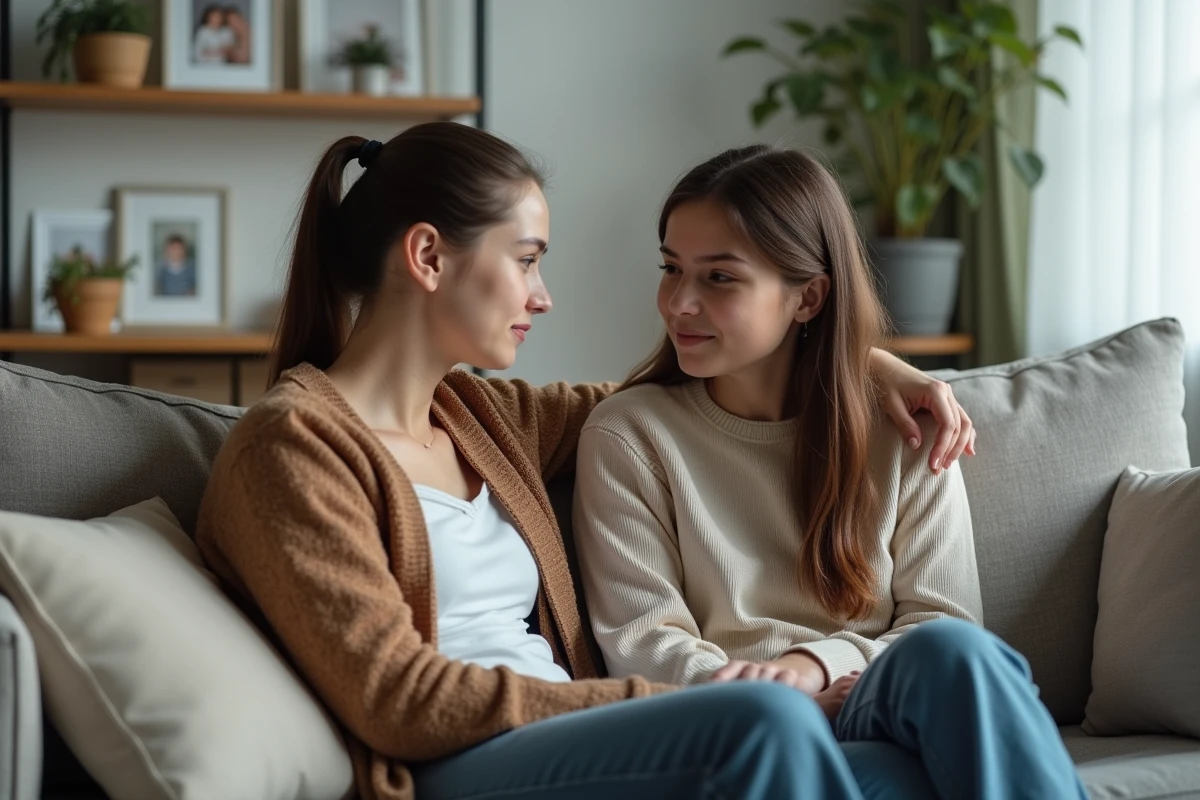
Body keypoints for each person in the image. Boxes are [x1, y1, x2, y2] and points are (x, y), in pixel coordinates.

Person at [196, 122, 979, 800]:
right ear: (429, 256)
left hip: (583, 745)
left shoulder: (479, 416)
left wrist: (875, 366)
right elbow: (397, 698)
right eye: (527, 259)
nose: (543, 296)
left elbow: (718, 374)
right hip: (455, 767)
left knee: (912, 759)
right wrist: (646, 705)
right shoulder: (291, 448)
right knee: (765, 719)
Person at [573, 144, 1087, 799]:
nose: (679, 303)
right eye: (672, 269)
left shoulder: (906, 426)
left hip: (877, 696)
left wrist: (817, 665)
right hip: (739, 721)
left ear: (808, 297)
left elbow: (944, 622)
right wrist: (780, 695)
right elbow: (643, 642)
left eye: (719, 277)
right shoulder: (630, 435)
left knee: (957, 655)